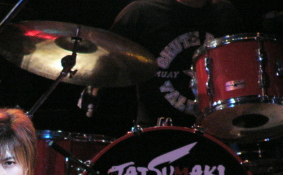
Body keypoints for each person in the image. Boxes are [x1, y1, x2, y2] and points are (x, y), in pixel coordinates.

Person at [80, 0, 244, 133]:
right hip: (155, 131)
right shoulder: (140, 12)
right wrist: (95, 86)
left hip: (216, 130)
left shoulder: (225, 12)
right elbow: (105, 60)